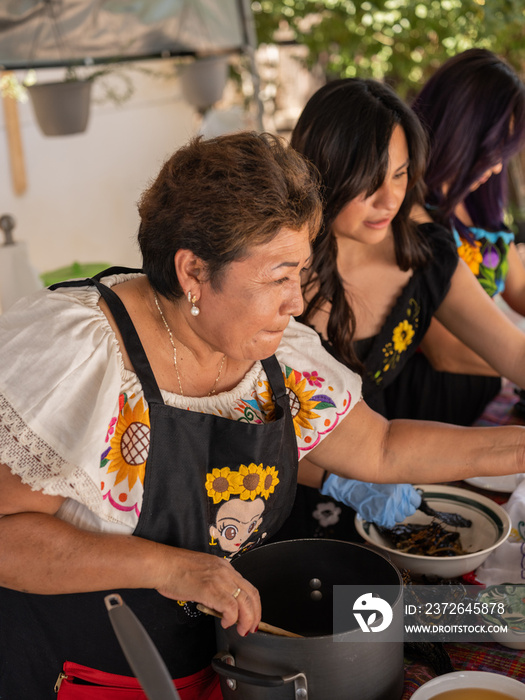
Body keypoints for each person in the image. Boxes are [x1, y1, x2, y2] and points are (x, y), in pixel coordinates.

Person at [1, 131, 525, 700]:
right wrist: (172, 567)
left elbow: (383, 447)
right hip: (80, 674)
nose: (297, 302)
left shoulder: (274, 354)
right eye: (278, 278)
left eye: (298, 275)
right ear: (193, 272)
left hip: (219, 662)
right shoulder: (83, 353)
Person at [273, 76, 525, 542]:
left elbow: (512, 349)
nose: (389, 200)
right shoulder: (278, 276)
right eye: (370, 180)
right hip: (285, 496)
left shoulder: (422, 252)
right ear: (321, 172)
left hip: (389, 480)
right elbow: (241, 425)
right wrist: (338, 479)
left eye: (400, 174)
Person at [395, 48, 525, 424]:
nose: (499, 164)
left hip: (482, 393)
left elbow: (518, 289)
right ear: (462, 131)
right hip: (430, 405)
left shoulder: (480, 204)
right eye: (495, 148)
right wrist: (512, 362)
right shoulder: (408, 209)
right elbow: (445, 350)